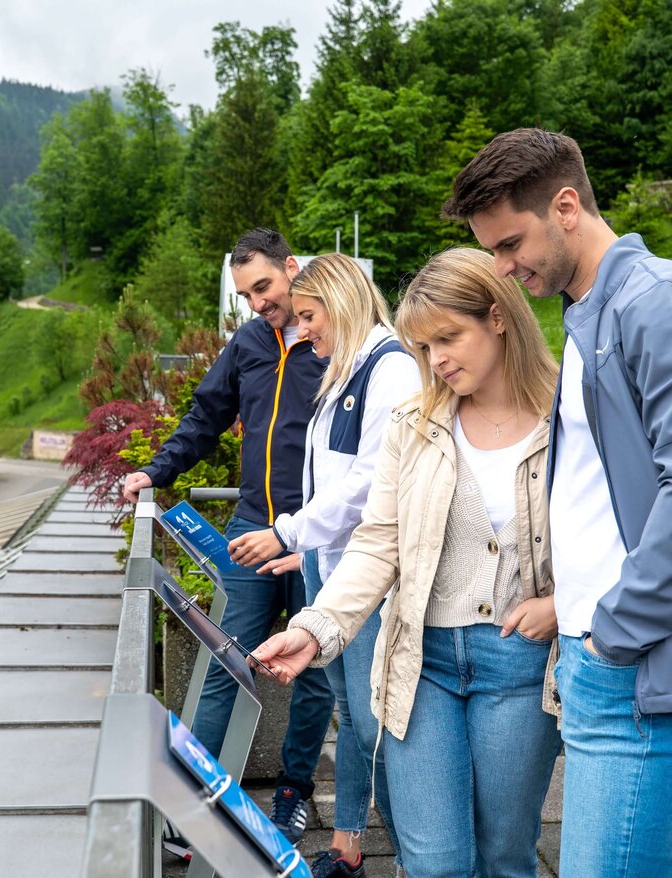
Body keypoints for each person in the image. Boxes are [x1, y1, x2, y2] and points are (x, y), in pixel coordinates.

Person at [251, 247, 562, 877]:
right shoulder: (413, 424)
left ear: (499, 317)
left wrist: (565, 603)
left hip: (521, 666)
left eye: (448, 338)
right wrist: (315, 627)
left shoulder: (570, 416)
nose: (437, 360)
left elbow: (613, 535)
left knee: (505, 853)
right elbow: (377, 541)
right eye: (423, 347)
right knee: (435, 861)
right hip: (422, 664)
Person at [442, 127, 672, 876]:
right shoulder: (588, 316)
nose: (504, 269)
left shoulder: (650, 305)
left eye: (510, 245)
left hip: (627, 666)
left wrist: (613, 634)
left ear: (566, 206)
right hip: (595, 660)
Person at [122, 228, 335, 848]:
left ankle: (294, 795)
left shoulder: (336, 340)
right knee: (226, 660)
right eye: (245, 294)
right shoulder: (247, 342)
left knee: (315, 672)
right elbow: (204, 417)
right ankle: (193, 807)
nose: (257, 303)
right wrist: (155, 472)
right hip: (251, 529)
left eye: (263, 286)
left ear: (292, 268)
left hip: (318, 534)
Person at [229, 253, 420, 877]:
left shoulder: (389, 370)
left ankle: (404, 846)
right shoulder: (346, 369)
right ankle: (356, 844)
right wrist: (305, 552)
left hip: (363, 575)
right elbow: (332, 478)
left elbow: (369, 484)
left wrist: (288, 531)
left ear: (341, 302)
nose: (303, 329)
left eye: (309, 316)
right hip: (329, 565)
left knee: (372, 721)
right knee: (353, 716)